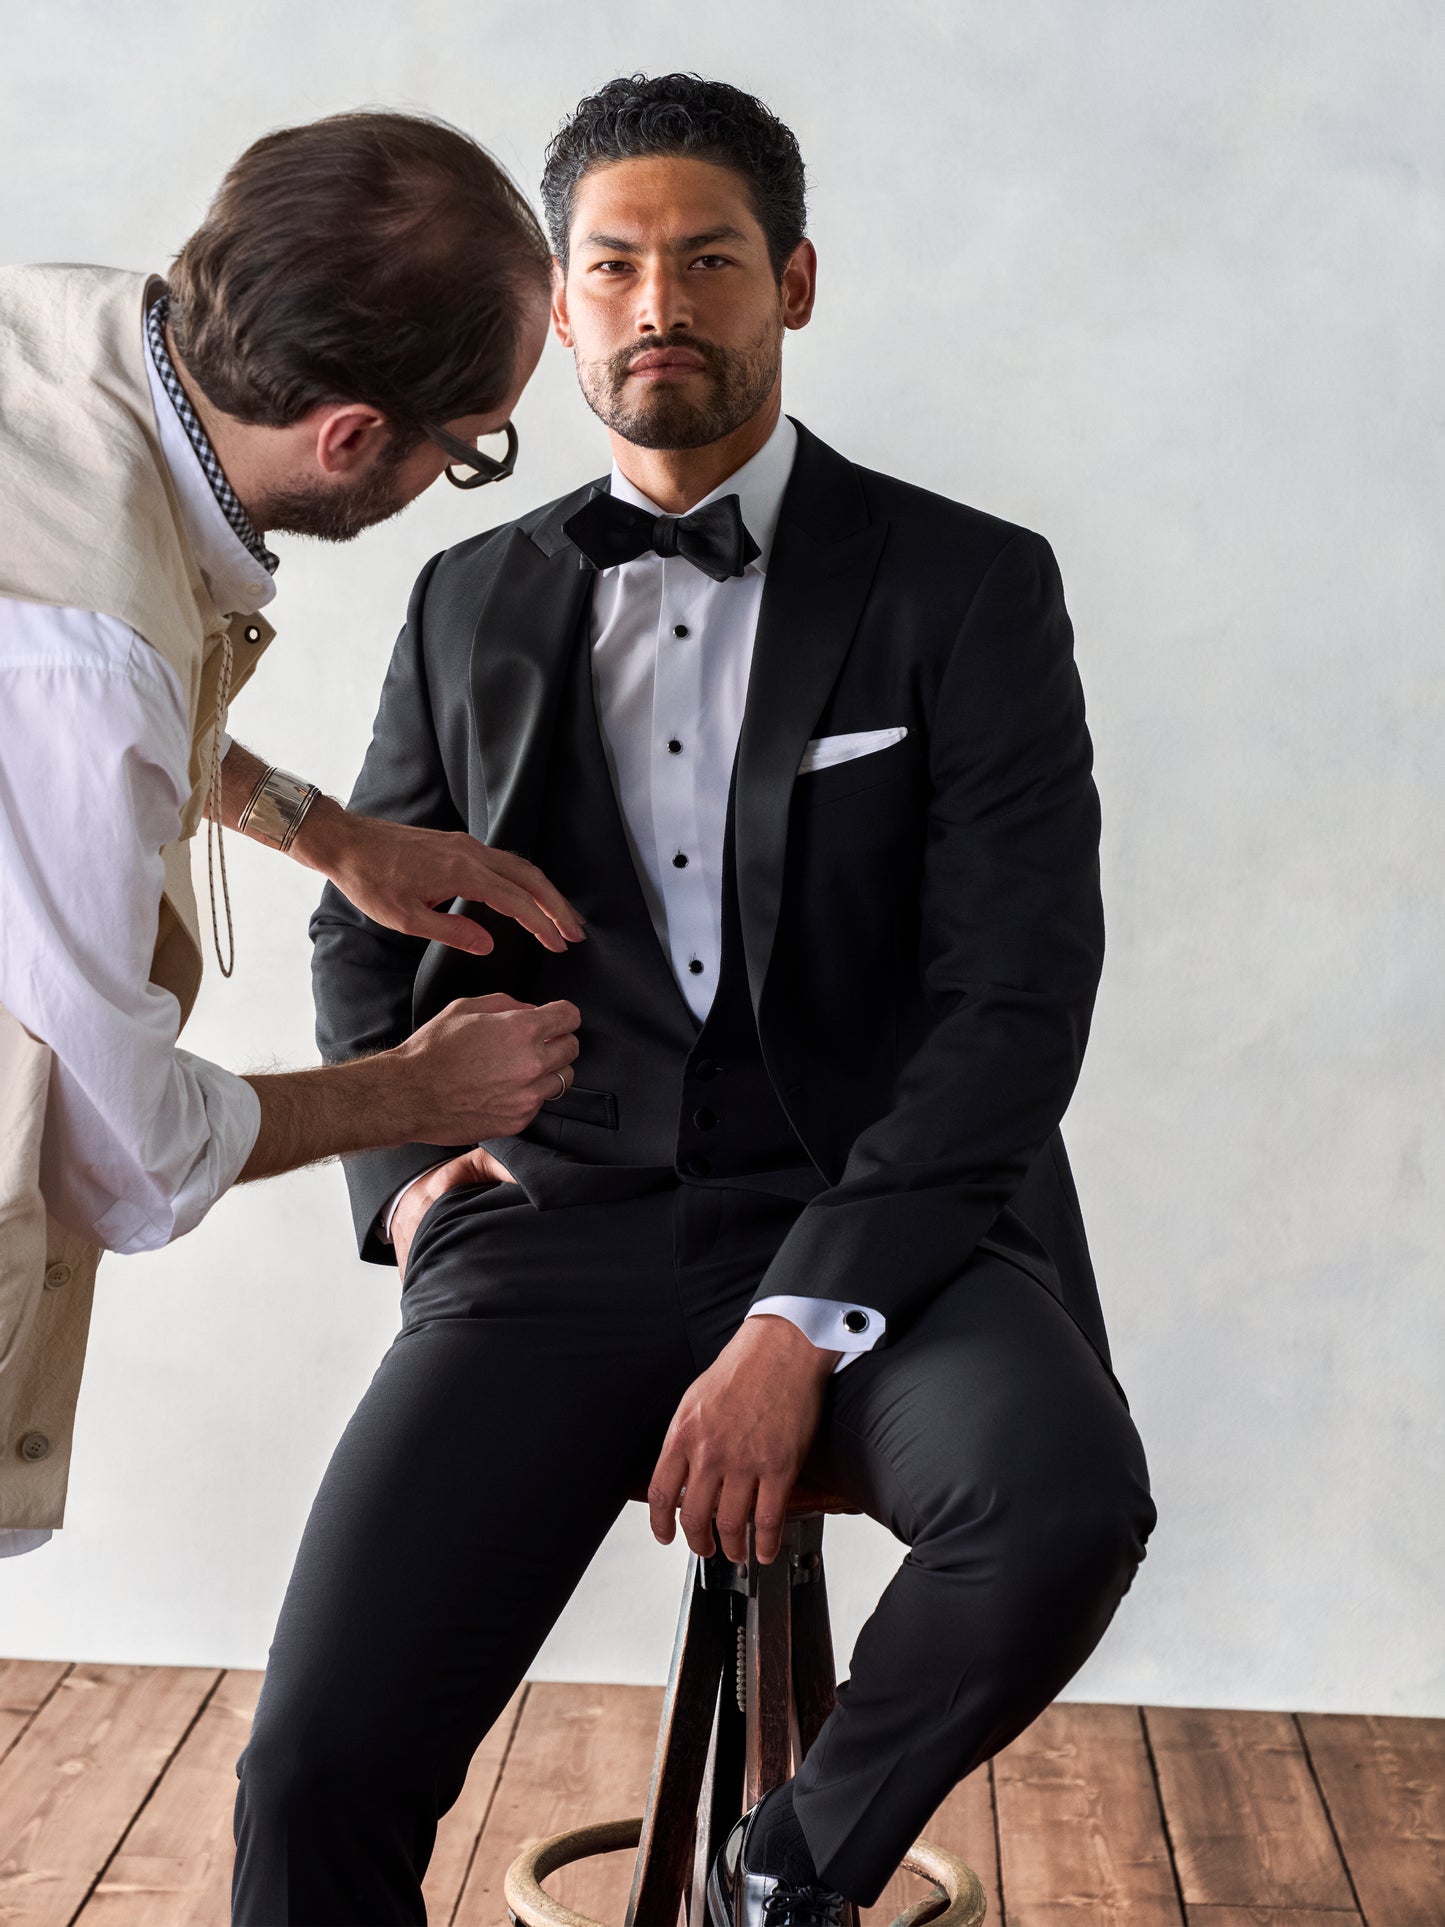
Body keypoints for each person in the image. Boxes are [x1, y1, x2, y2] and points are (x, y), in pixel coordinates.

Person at [233, 75, 1158, 1926]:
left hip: (888, 1220)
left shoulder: (968, 586)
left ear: (792, 284)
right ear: (556, 312)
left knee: (1058, 1508)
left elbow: (1015, 994)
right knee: (313, 1776)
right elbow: (363, 914)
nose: (662, 301)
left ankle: (785, 1870)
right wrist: (404, 1190)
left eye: (711, 259)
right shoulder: (468, 596)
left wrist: (800, 1317)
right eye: (614, 266)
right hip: (552, 1224)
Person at [0, 110, 585, 1558]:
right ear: (351, 437)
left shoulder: (70, 332)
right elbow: (120, 1158)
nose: (468, 473)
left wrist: (327, 834)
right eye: (473, 448)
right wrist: (409, 1092)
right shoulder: (86, 661)